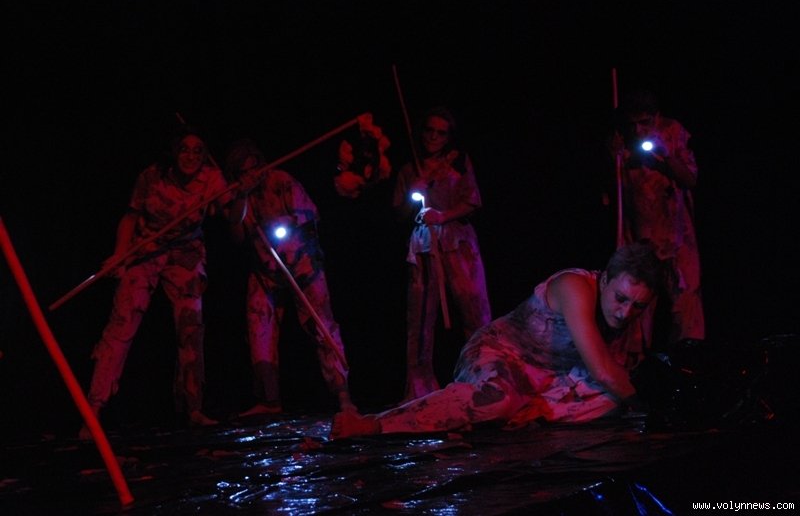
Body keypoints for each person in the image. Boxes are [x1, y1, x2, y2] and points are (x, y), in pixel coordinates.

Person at [331, 241, 660, 438]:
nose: (625, 312)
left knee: (610, 400)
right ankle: (374, 425)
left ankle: (520, 414)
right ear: (605, 279)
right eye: (621, 299)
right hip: (500, 354)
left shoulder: (620, 309)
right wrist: (652, 409)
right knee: (499, 399)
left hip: (546, 377)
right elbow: (602, 370)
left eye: (638, 306)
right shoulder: (576, 287)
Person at [79, 128, 241, 440]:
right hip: (147, 250)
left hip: (186, 254)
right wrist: (119, 254)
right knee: (122, 324)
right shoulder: (152, 176)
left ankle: (193, 408)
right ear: (174, 151)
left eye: (198, 150)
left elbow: (233, 216)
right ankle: (93, 409)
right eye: (185, 149)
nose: (191, 156)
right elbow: (130, 216)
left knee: (191, 328)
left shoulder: (211, 178)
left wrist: (241, 194)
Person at [224, 139, 355, 416]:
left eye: (254, 168)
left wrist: (283, 225)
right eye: (243, 172)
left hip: (302, 265)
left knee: (322, 326)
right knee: (259, 327)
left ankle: (343, 395)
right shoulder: (238, 196)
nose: (251, 175)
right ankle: (268, 399)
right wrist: (241, 197)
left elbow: (310, 217)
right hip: (266, 271)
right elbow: (236, 236)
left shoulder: (281, 180)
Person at [392, 106, 492, 402]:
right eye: (429, 130)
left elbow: (472, 201)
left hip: (457, 242)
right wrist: (413, 191)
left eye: (441, 133)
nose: (433, 137)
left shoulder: (458, 162)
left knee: (475, 310)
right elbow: (398, 213)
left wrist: (443, 215)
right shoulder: (410, 169)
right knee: (420, 319)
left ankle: (484, 377)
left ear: (449, 136)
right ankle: (420, 389)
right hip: (424, 244)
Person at [610, 90, 705, 345]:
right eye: (633, 124)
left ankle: (689, 361)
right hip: (639, 238)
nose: (638, 130)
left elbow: (690, 179)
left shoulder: (672, 132)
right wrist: (612, 159)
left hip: (676, 237)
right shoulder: (619, 139)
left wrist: (665, 157)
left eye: (644, 122)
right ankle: (634, 362)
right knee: (635, 307)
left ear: (656, 117)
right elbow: (610, 195)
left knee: (685, 306)